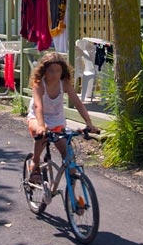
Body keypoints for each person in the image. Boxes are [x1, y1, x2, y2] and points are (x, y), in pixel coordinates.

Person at [27, 52, 99, 183]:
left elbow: (78, 103)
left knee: (69, 157)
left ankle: (72, 191)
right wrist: (41, 125)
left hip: (57, 121)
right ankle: (35, 161)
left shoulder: (64, 84)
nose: (54, 74)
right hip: (38, 118)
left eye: (58, 71)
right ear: (44, 71)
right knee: (43, 134)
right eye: (51, 71)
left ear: (62, 71)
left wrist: (89, 123)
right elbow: (38, 106)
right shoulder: (39, 84)